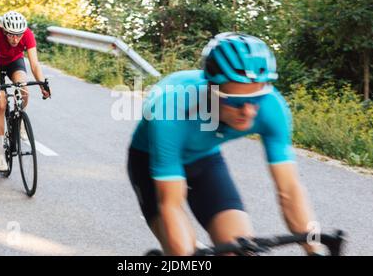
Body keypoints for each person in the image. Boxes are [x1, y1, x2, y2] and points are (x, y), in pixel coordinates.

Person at [127, 32, 322, 256]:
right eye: (236, 102)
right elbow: (170, 204)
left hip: (204, 159)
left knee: (240, 250)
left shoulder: (271, 106)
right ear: (212, 90)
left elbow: (289, 189)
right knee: (182, 253)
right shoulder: (172, 110)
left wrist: (313, 248)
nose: (248, 111)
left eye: (256, 98)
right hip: (150, 163)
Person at [0, 11, 50, 172]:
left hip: (14, 61)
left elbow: (34, 64)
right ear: (4, 31)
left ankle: (19, 122)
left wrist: (43, 85)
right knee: (1, 103)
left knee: (24, 89)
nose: (15, 39)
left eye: (18, 35)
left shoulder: (28, 35)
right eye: (11, 35)